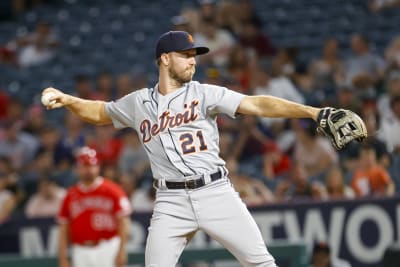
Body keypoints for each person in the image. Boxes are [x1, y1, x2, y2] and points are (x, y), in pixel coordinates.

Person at [43, 31, 339, 267]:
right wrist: (68, 100)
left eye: (194, 55)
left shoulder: (204, 93)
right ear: (165, 59)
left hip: (215, 191)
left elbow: (257, 103)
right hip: (170, 200)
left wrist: (312, 112)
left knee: (261, 262)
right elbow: (99, 112)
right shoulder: (138, 103)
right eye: (185, 55)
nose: (193, 61)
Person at [57, 146, 132, 267]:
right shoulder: (70, 195)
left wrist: (122, 250)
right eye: (84, 166)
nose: (89, 170)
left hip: (108, 247)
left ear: (98, 167)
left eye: (91, 165)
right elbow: (63, 228)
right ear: (77, 169)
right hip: (80, 249)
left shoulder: (113, 190)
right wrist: (63, 258)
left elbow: (124, 222)